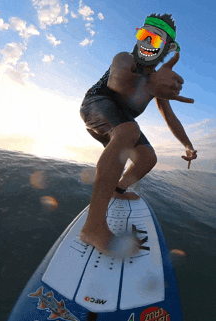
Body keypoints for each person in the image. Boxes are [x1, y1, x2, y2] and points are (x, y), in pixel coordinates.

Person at [79, 13, 197, 256]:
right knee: (129, 130)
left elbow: (171, 119)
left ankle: (117, 189)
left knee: (147, 158)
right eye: (144, 35)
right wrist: (153, 84)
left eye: (155, 40)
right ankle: (93, 228)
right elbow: (117, 83)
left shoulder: (158, 82)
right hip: (95, 106)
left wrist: (188, 146)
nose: (146, 43)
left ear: (167, 49)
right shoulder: (125, 59)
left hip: (121, 124)